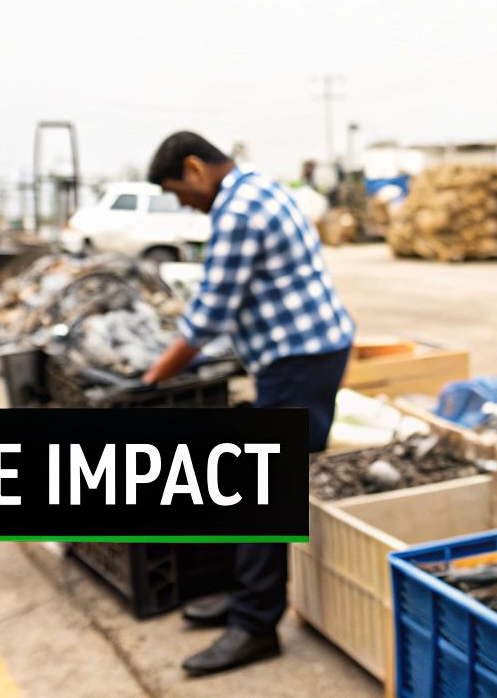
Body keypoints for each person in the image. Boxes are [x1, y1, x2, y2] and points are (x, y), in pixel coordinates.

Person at [139, 131, 355, 677]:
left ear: (194, 168)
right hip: (310, 350)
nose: (184, 203)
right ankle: (245, 600)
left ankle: (256, 625)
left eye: (178, 191)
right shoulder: (260, 184)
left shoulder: (236, 210)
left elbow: (210, 310)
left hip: (297, 359)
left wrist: (156, 372)